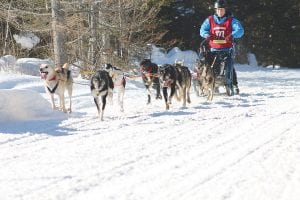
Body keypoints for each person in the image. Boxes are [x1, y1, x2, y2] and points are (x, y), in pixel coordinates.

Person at [200, 0, 244, 95]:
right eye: (218, 10)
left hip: (227, 49)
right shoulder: (210, 20)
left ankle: (231, 83)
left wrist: (232, 35)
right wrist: (207, 35)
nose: (220, 12)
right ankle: (211, 84)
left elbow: (240, 30)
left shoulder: (232, 20)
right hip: (213, 49)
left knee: (229, 66)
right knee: (211, 67)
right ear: (215, 10)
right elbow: (203, 29)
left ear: (225, 10)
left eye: (222, 10)